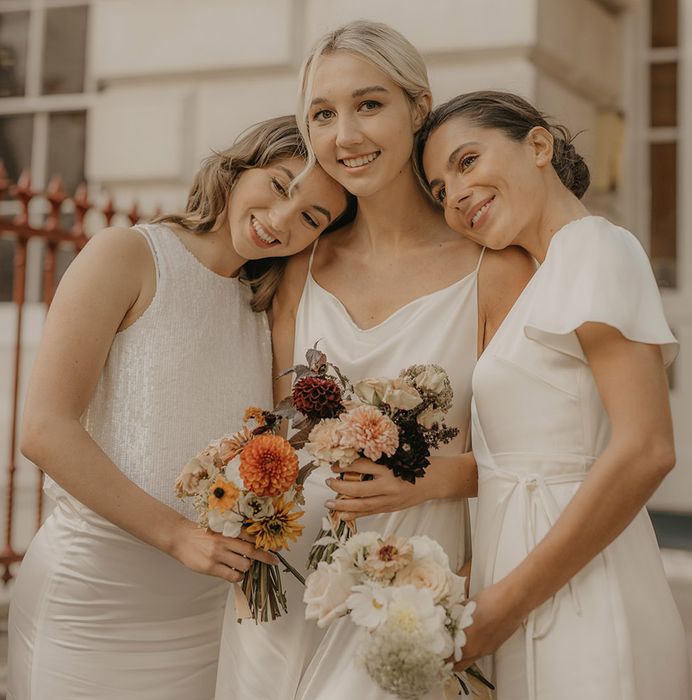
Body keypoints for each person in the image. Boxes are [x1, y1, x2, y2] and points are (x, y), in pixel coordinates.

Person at [215, 22, 534, 700]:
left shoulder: (495, 270)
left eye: (369, 105)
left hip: (414, 586)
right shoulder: (299, 261)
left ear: (418, 107)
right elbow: (272, 427)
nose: (345, 136)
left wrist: (431, 479)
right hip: (285, 581)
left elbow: (539, 465)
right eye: (323, 115)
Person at [7, 115, 350, 700]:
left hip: (201, 615)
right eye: (279, 185)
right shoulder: (128, 254)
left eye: (311, 218)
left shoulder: (264, 311)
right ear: (240, 168)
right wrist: (177, 536)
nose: (282, 220)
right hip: (92, 601)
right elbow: (44, 430)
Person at [418, 90, 691, 699]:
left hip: (582, 594)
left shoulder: (595, 248)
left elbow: (647, 448)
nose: (455, 195)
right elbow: (525, 459)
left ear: (538, 145)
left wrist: (504, 606)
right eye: (439, 190)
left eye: (466, 162)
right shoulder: (543, 278)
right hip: (517, 585)